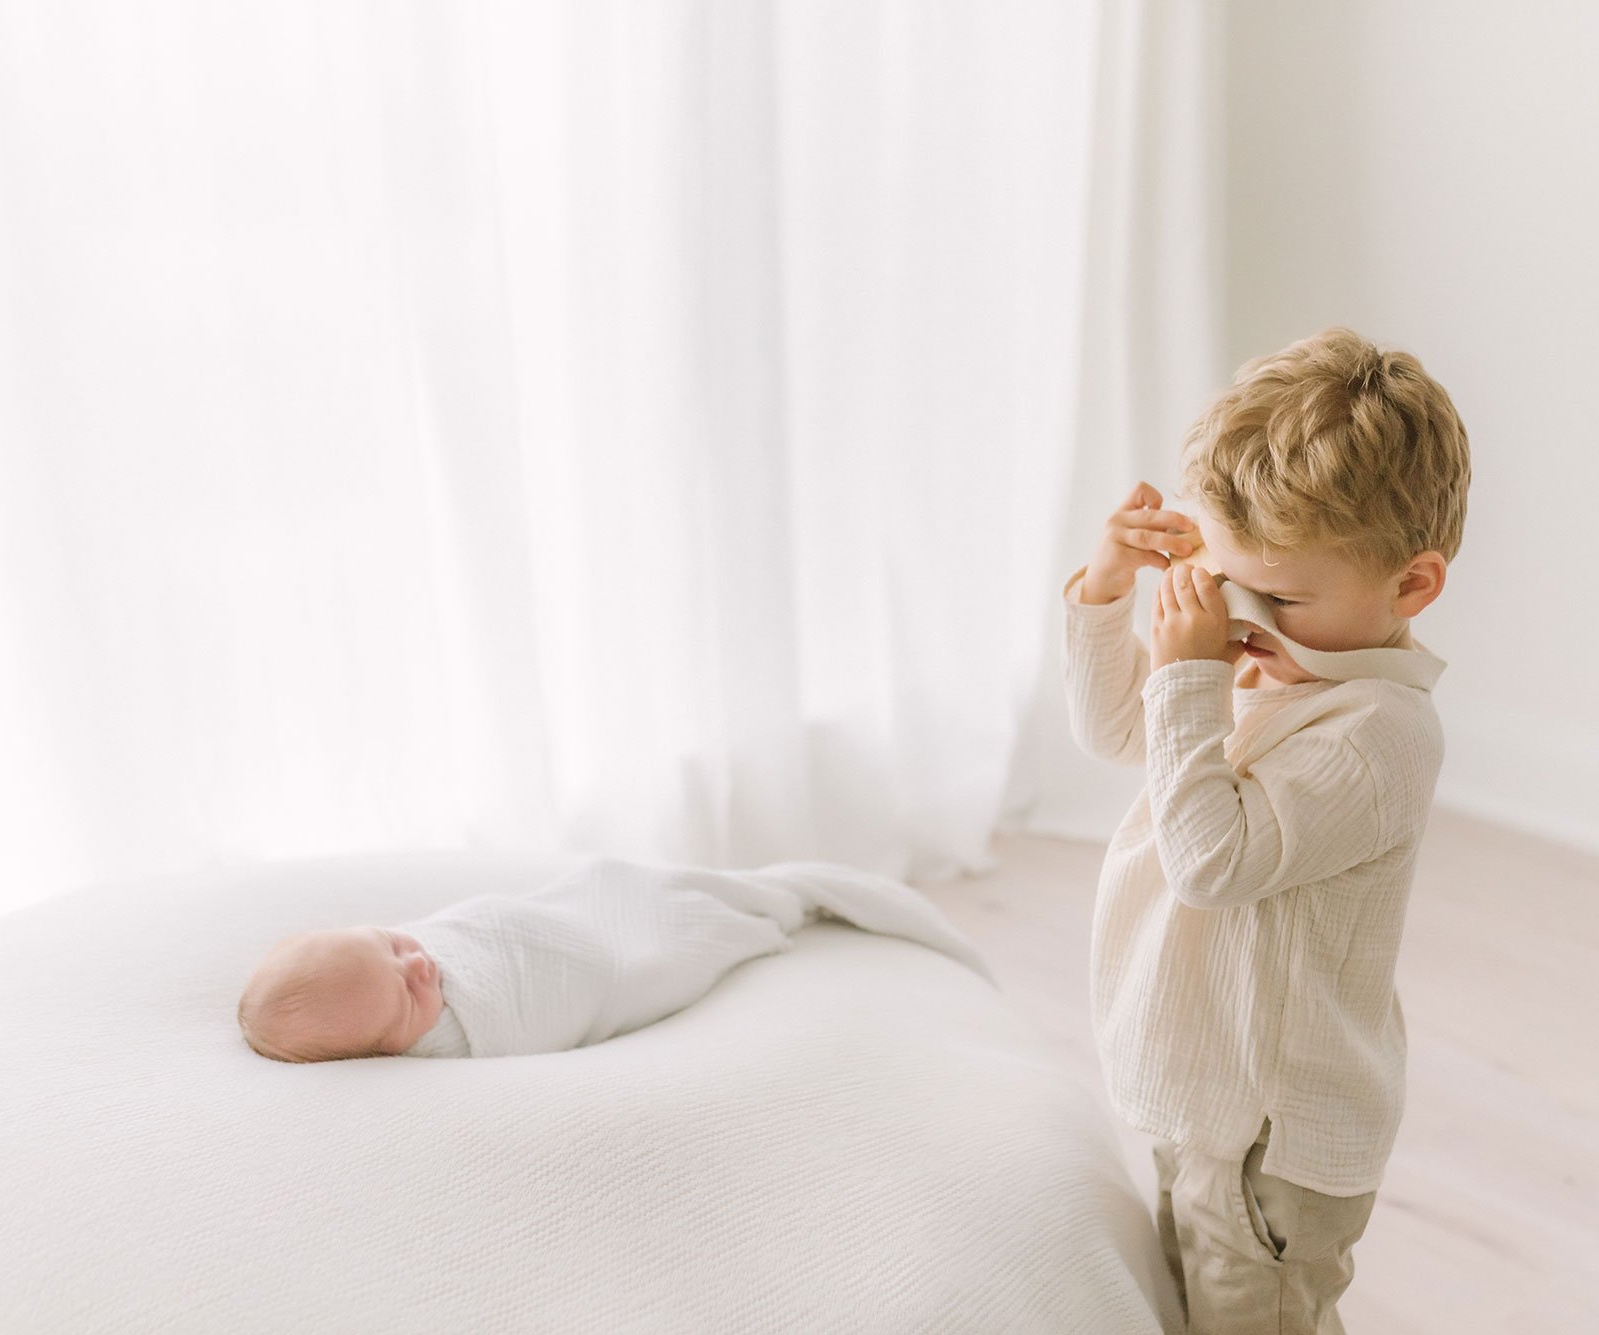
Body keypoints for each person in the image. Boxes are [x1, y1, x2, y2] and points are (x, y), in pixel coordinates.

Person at [1060, 326, 1470, 1333]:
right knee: (1191, 1301)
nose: (1245, 618)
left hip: (1265, 1151)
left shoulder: (1376, 733)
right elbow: (1124, 731)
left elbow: (1210, 861)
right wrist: (1112, 591)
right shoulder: (1290, 658)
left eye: (1278, 595)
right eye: (1230, 579)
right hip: (1202, 1100)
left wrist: (1197, 676)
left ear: (1408, 586)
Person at [236, 857, 990, 1062]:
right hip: (602, 959)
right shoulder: (458, 1039)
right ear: (388, 1050)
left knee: (621, 884)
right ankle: (762, 906)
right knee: (681, 929)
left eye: (395, 945)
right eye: (406, 999)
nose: (422, 966)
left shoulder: (425, 953)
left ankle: (772, 890)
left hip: (587, 911)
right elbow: (575, 976)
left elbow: (516, 920)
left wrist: (406, 957)